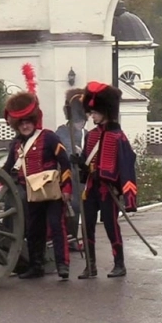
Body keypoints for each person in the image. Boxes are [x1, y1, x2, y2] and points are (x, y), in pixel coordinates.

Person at [2, 65, 74, 280]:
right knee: (34, 230)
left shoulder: (49, 137)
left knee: (56, 226)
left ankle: (63, 265)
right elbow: (7, 169)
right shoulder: (15, 145)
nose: (25, 126)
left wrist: (67, 188)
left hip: (52, 192)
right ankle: (36, 265)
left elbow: (65, 163)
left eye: (28, 121)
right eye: (21, 123)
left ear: (34, 121)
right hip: (31, 193)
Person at [79, 81, 138, 278]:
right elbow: (87, 165)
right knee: (87, 226)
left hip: (107, 189)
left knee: (111, 226)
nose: (92, 115)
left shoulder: (118, 136)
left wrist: (128, 197)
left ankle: (119, 264)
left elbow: (127, 164)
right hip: (91, 188)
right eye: (91, 111)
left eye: (95, 112)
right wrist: (80, 163)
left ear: (105, 111)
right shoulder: (90, 136)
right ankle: (90, 265)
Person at [56, 88, 88, 253]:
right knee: (68, 207)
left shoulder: (86, 134)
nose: (81, 123)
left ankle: (74, 238)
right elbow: (61, 151)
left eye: (83, 119)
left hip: (80, 177)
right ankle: (67, 239)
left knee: (77, 207)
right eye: (79, 119)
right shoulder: (62, 131)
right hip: (65, 175)